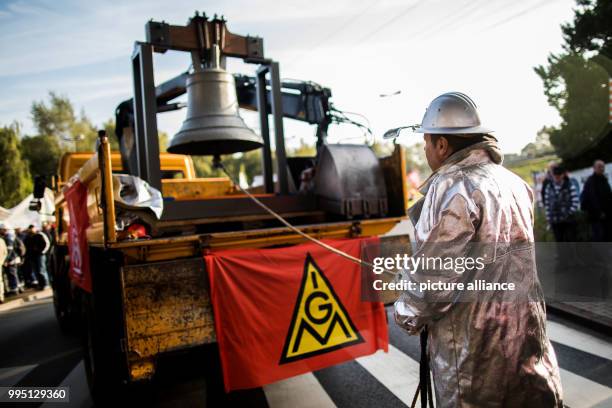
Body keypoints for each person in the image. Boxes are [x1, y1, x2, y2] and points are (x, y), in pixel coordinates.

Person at [393, 92, 562, 407]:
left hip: (472, 352)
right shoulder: (514, 183)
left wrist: (406, 312)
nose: (426, 150)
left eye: (427, 142)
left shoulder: (451, 188)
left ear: (442, 145)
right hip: (525, 341)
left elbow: (432, 281)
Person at [544, 165, 579, 242]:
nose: (557, 177)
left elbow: (575, 202)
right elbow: (547, 204)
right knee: (559, 242)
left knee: (570, 241)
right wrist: (548, 218)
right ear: (553, 175)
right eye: (555, 175)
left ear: (562, 175)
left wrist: (568, 213)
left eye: (559, 175)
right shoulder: (549, 187)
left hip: (568, 220)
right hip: (555, 221)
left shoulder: (569, 186)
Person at [581, 160, 612, 241]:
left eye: (603, 167)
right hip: (596, 216)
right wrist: (599, 212)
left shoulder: (604, 179)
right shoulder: (591, 181)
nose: (602, 169)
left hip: (607, 214)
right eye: (599, 167)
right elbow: (592, 198)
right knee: (599, 237)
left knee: (608, 236)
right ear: (594, 168)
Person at [23, 225, 50, 290]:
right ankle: (40, 284)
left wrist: (43, 252)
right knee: (36, 271)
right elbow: (26, 247)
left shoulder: (40, 235)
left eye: (32, 228)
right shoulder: (28, 237)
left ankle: (46, 283)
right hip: (32, 256)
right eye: (30, 229)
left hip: (40, 255)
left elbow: (47, 243)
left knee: (41, 270)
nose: (31, 230)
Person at [0, 224, 24, 296]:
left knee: (12, 274)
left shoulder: (8, 237)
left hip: (11, 259)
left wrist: (6, 260)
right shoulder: (11, 236)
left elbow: (9, 251)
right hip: (13, 258)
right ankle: (18, 288)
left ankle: (15, 289)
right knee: (15, 274)